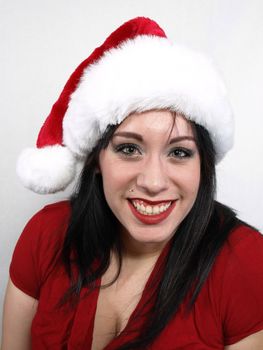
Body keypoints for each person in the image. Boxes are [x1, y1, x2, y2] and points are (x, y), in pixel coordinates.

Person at [1, 17, 263, 350]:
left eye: (180, 152)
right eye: (129, 148)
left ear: (203, 164)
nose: (153, 181)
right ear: (97, 159)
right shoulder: (45, 235)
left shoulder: (246, 263)